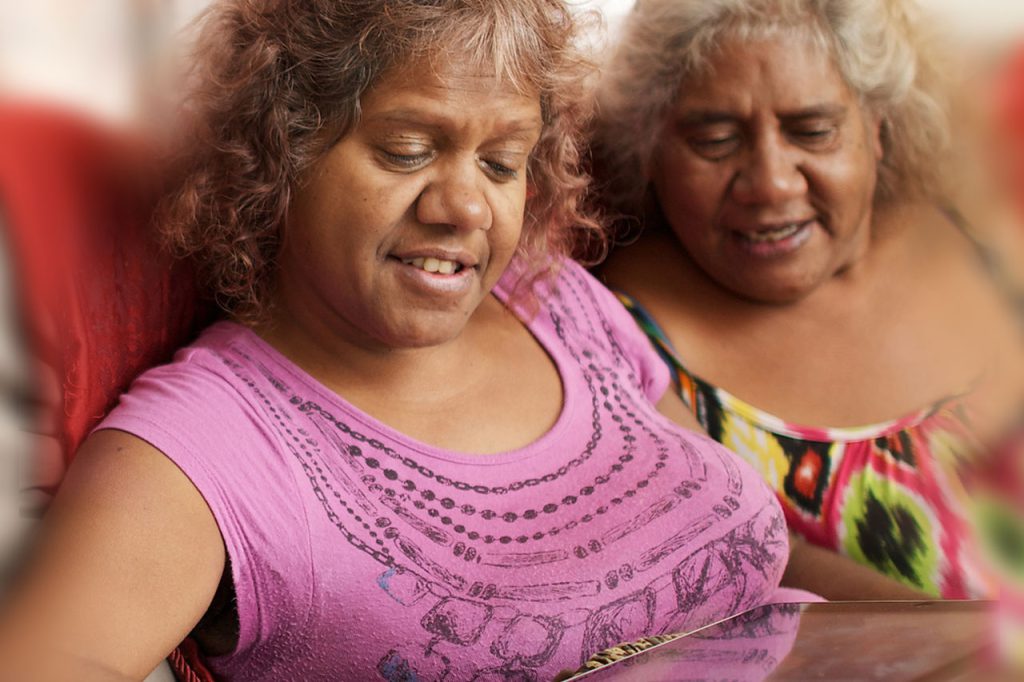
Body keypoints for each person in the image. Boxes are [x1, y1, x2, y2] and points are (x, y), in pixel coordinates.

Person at [0, 2, 812, 680]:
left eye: (501, 163)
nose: (466, 208)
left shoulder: (553, 299)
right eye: (409, 150)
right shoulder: (208, 446)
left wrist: (933, 629)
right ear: (283, 149)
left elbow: (771, 556)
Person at [593, 0, 1024, 601]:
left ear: (877, 128)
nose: (772, 181)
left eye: (813, 131)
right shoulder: (612, 334)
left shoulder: (972, 236)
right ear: (647, 150)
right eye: (715, 141)